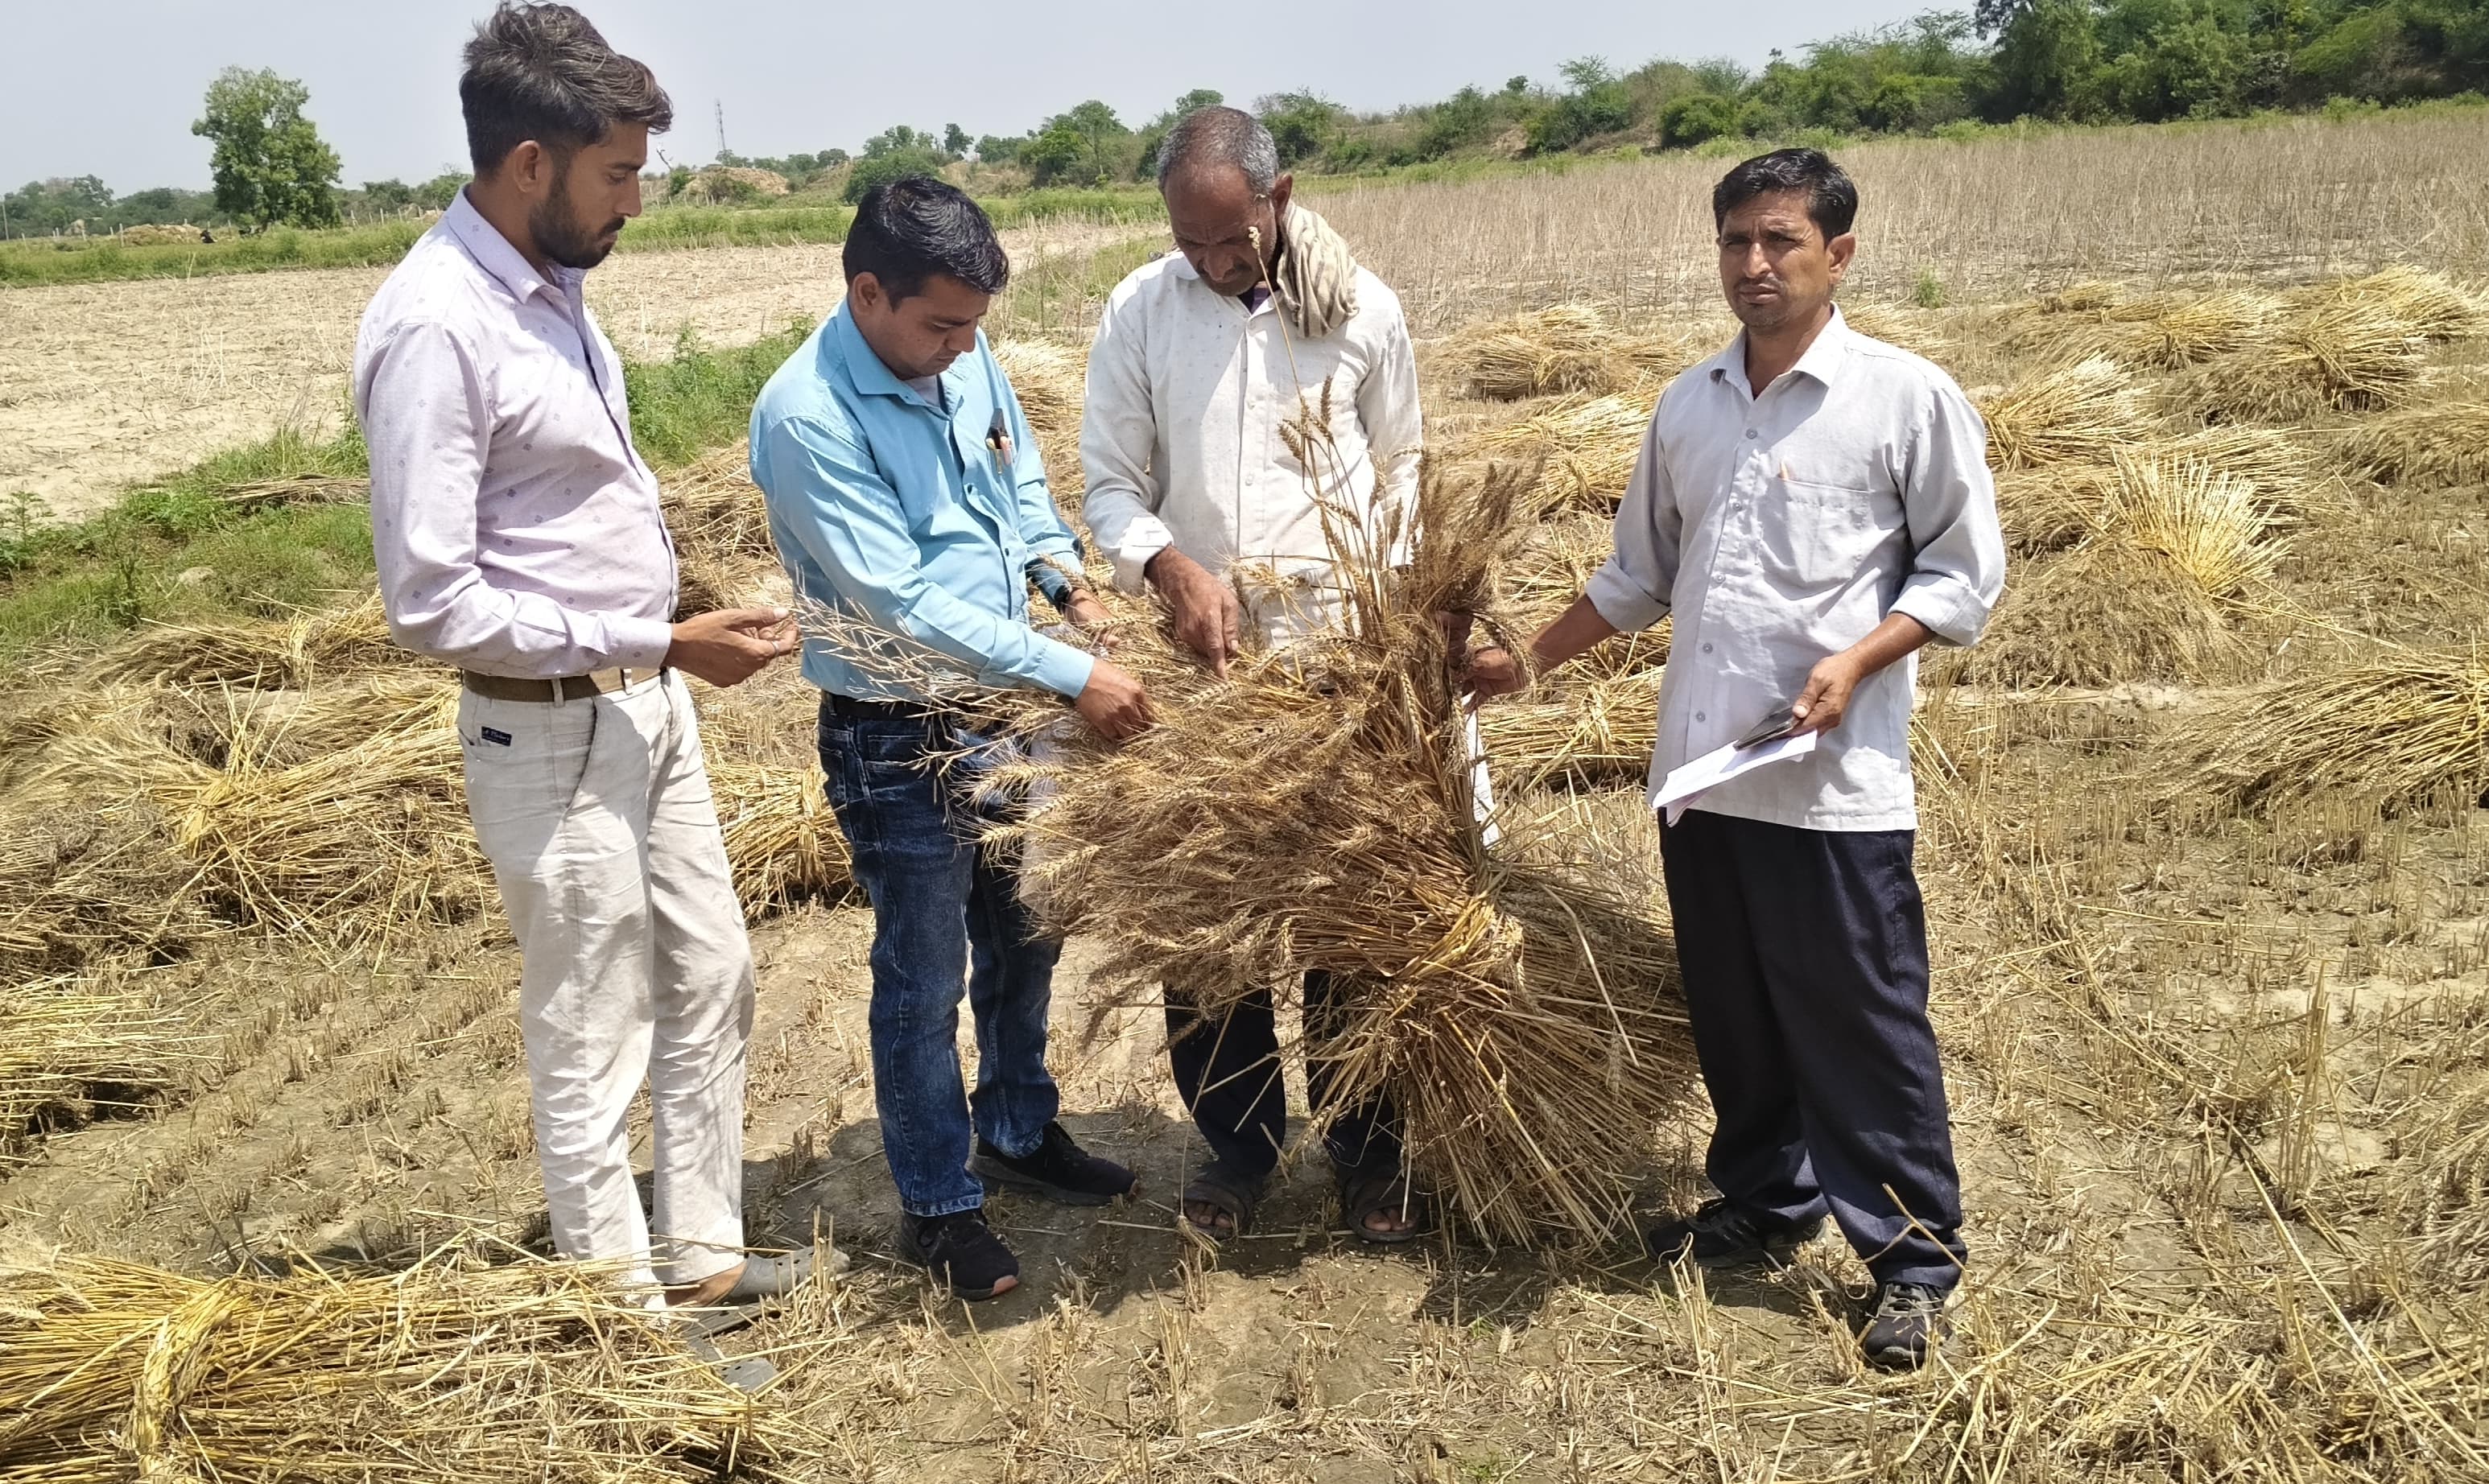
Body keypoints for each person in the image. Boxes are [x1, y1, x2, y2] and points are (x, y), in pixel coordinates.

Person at [1467, 148, 2007, 1370]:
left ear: (1839, 255)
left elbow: (1962, 577)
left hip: (1833, 788)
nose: (1754, 267)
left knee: (1864, 1022)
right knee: (1739, 1016)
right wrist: (1526, 664)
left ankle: (1913, 1258)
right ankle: (1769, 1201)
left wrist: (1862, 661)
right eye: (1735, 245)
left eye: (1780, 243)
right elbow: (1638, 577)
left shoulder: (1903, 398)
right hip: (1703, 776)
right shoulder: (1689, 405)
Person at [354, 2, 814, 1340]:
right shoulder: (436, 326)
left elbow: (557, 520)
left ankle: (703, 1255)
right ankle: (621, 1314)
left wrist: (666, 632)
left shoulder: (550, 297)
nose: (635, 200)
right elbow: (430, 598)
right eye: (616, 173)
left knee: (712, 972)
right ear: (529, 165)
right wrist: (655, 638)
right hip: (547, 731)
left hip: (643, 707)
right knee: (591, 1019)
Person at [749, 176, 1150, 1302]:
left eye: (976, 327)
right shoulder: (808, 418)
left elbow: (1018, 482)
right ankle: (939, 1202)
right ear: (868, 292)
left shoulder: (960, 356)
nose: (963, 348)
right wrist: (1076, 674)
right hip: (895, 730)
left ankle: (1018, 1130)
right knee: (921, 976)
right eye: (940, 325)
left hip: (1003, 707)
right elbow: (906, 603)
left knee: (1026, 937)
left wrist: (1067, 585)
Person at [1080, 106, 1427, 1245]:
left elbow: (1405, 477)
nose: (1214, 263)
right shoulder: (1142, 310)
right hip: (1206, 664)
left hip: (1340, 661)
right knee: (1212, 914)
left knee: (1347, 910)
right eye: (1193, 243)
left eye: (1233, 241)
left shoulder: (1360, 311)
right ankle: (1237, 1146)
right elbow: (1109, 489)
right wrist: (1168, 564)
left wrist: (1405, 632)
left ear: (1281, 199)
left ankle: (1367, 1149)